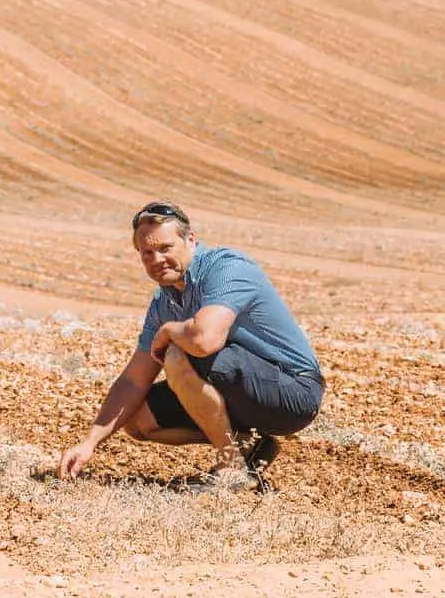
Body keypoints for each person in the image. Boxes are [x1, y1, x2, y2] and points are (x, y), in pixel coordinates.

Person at [58, 201, 324, 491]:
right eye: (147, 252)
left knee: (177, 352)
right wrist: (89, 443)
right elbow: (134, 381)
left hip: (293, 392)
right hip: (239, 389)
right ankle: (246, 444)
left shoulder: (228, 268)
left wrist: (170, 330)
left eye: (165, 248)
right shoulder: (165, 301)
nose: (156, 259)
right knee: (137, 419)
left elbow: (204, 340)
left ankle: (231, 465)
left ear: (190, 240)